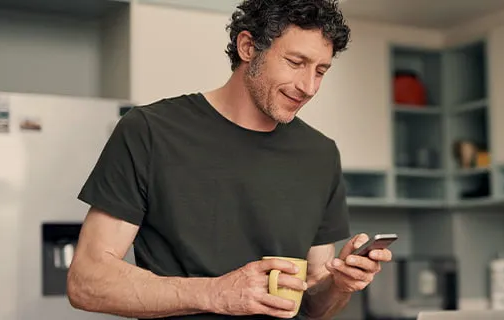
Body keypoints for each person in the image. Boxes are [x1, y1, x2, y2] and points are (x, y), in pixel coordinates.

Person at [66, 0, 392, 319]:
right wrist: (218, 294)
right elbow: (88, 281)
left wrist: (340, 284)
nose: (309, 87)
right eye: (295, 62)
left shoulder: (321, 154)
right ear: (248, 47)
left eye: (320, 70)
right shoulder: (150, 131)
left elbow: (311, 304)